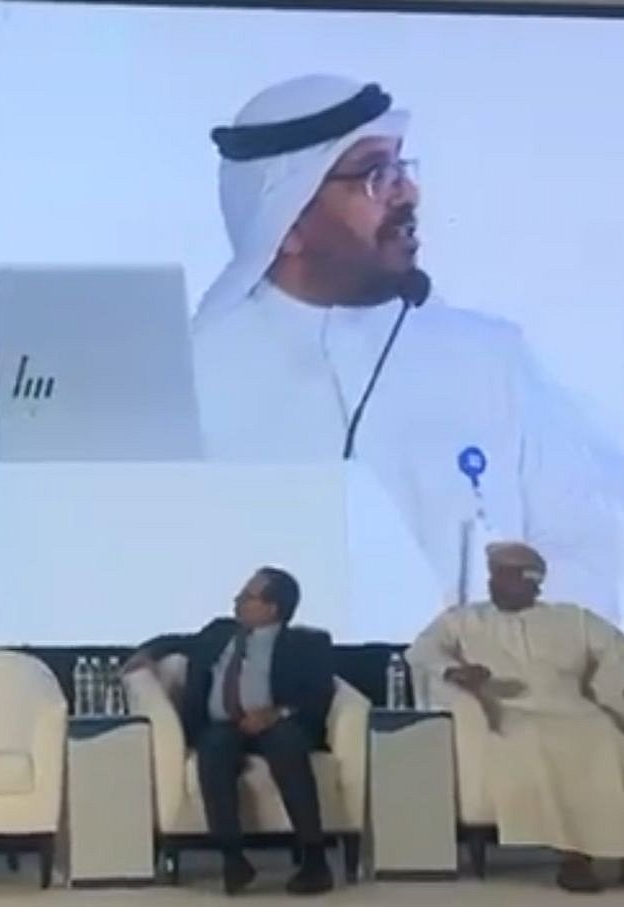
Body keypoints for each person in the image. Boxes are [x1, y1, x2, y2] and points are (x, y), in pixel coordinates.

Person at [193, 74, 622, 621]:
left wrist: (495, 633)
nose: (408, 193)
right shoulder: (197, 375)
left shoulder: (489, 357)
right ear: (289, 221)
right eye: (376, 176)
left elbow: (589, 540)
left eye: (402, 169)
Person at [406, 542, 624, 892]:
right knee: (536, 740)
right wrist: (454, 671)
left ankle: (615, 851)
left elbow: (616, 651)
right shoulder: (463, 619)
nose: (493, 583)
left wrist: (609, 696)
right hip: (508, 711)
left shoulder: (573, 618)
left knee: (606, 737)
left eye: (505, 575)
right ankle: (573, 857)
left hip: (572, 708)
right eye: (493, 574)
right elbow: (422, 649)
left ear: (532, 581)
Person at [124, 566, 335, 895]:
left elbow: (318, 694)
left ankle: (314, 860)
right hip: (223, 726)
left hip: (276, 723)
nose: (237, 601)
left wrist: (275, 713)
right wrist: (145, 655)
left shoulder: (308, 643)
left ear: (272, 608)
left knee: (288, 744)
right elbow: (173, 641)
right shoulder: (220, 632)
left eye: (247, 597)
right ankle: (233, 859)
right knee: (213, 749)